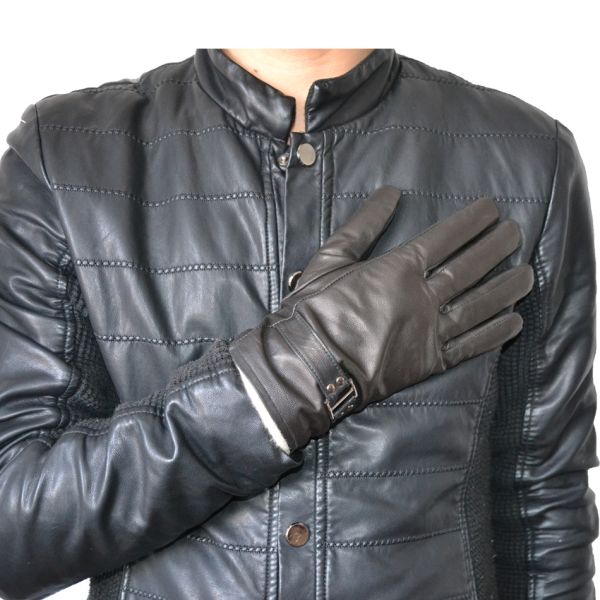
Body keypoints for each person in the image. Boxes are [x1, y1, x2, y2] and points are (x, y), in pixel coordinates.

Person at [0, 47, 596, 600]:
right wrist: (296, 372)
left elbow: (541, 507)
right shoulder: (64, 156)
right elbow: (14, 535)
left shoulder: (529, 158)